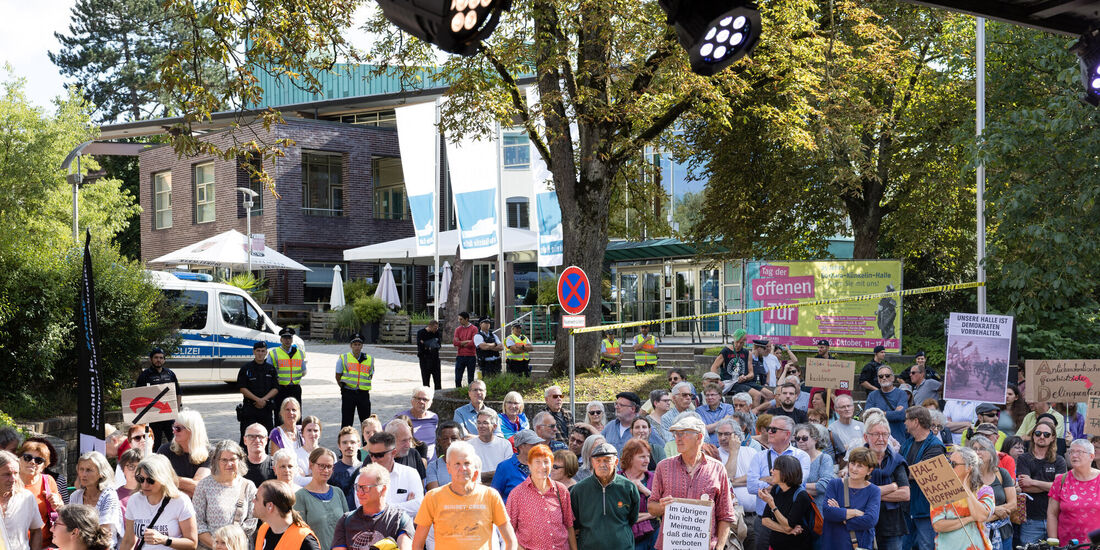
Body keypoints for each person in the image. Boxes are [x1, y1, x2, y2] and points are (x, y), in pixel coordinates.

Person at [648, 415, 735, 550]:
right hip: (671, 545)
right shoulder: (663, 467)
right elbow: (651, 507)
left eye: (683, 434)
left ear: (699, 437)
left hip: (705, 546)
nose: (677, 438)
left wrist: (719, 547)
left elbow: (726, 514)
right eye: (676, 434)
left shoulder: (717, 468)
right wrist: (663, 507)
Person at [412, 441, 517, 550]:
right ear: (448, 468)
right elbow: (417, 544)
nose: (463, 468)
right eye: (457, 464)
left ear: (474, 466)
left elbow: (510, 540)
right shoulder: (432, 497)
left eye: (467, 463)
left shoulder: (490, 495)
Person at [747, 414, 810, 550]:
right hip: (765, 520)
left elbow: (797, 483)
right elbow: (751, 486)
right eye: (769, 428)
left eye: (774, 429)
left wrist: (765, 480)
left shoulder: (801, 456)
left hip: (793, 521)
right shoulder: (759, 456)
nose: (769, 431)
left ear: (787, 434)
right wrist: (781, 481)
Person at [506, 444, 577, 550]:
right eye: (537, 462)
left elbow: (569, 525)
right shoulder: (517, 494)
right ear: (529, 465)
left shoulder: (561, 490)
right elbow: (508, 530)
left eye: (546, 462)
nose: (542, 466)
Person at [121, 454, 199, 550]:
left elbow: (192, 543)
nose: (145, 485)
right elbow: (128, 541)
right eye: (140, 479)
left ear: (163, 479)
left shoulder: (180, 501)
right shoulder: (134, 500)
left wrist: (164, 540)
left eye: (151, 480)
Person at [570, 442, 639, 550]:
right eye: (598, 461)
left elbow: (632, 519)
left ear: (616, 462)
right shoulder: (579, 490)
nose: (602, 464)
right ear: (592, 463)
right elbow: (574, 524)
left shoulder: (628, 487)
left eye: (607, 460)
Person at [193, 440, 257, 550]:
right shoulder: (204, 486)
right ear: (216, 461)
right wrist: (219, 545)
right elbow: (197, 522)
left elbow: (252, 521)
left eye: (233, 459)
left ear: (240, 460)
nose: (229, 464)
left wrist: (231, 545)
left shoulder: (248, 486)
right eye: (224, 460)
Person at [334, 464, 414, 550]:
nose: (359, 493)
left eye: (365, 488)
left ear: (383, 489)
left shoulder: (400, 520)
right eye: (358, 487)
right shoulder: (346, 520)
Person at [899, 406, 946, 550]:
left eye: (906, 419)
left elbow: (920, 473)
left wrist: (901, 474)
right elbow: (902, 469)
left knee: (926, 546)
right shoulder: (908, 442)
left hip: (925, 509)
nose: (904, 423)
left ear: (916, 421)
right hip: (907, 507)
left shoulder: (936, 446)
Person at [931, 447, 994, 550]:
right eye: (948, 463)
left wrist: (966, 489)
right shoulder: (941, 491)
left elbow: (981, 516)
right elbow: (938, 525)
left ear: (969, 468)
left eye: (953, 464)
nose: (948, 467)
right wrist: (969, 519)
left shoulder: (985, 491)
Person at [1016, 418, 1066, 544]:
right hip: (1031, 520)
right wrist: (1051, 486)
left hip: (1056, 519)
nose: (1041, 437)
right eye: (1038, 433)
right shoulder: (1024, 458)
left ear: (1053, 438)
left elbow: (1060, 488)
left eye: (1046, 434)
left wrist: (1033, 482)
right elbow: (1025, 487)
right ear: (1033, 436)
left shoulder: (1059, 460)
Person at [863, 416, 909, 550]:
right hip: (863, 522)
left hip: (892, 526)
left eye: (884, 434)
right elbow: (855, 490)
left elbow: (905, 494)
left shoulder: (897, 461)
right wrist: (891, 488)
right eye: (876, 434)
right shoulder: (858, 460)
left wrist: (871, 493)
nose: (881, 439)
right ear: (866, 437)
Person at [822, 447, 881, 550]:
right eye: (852, 463)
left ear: (869, 470)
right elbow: (827, 512)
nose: (854, 469)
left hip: (860, 544)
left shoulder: (874, 490)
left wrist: (841, 514)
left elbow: (870, 520)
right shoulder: (834, 484)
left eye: (860, 466)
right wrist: (854, 512)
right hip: (834, 542)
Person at [355, 432, 422, 517]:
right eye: (371, 455)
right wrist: (404, 506)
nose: (374, 459)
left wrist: (381, 508)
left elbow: (418, 506)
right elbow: (364, 509)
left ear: (393, 453)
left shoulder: (410, 473)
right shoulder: (361, 478)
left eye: (379, 455)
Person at [294, 448, 348, 550]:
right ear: (311, 465)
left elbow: (347, 525)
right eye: (321, 466)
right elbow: (300, 534)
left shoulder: (338, 492)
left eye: (329, 466)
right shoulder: (300, 496)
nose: (326, 470)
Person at [968, 435, 1015, 550]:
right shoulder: (966, 476)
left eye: (982, 448)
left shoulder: (1001, 474)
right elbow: (966, 509)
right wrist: (995, 510)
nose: (978, 452)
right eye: (974, 449)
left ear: (991, 454)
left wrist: (987, 515)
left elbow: (1013, 504)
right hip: (974, 534)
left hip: (1003, 533)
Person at [758, 455, 813, 548]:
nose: (771, 471)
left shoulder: (801, 495)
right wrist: (787, 531)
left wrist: (772, 505)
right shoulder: (776, 489)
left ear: (785, 472)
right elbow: (765, 520)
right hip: (775, 545)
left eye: (774, 469)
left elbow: (788, 525)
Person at [18, 439, 64, 548]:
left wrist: (59, 504)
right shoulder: (10, 481)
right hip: (15, 544)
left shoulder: (48, 481)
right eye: (27, 458)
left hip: (44, 544)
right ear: (19, 459)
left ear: (44, 466)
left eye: (38, 460)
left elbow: (62, 512)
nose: (32, 462)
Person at [69, 452, 122, 546]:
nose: (83, 474)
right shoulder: (75, 496)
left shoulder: (109, 495)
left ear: (101, 473)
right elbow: (70, 527)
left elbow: (104, 532)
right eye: (81, 469)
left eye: (89, 470)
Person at [252, 480, 322, 550]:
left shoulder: (305, 541)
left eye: (256, 498)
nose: (253, 501)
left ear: (270, 506)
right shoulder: (263, 530)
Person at [137, 347, 184, 449]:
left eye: (161, 358)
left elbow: (178, 392)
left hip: (169, 415)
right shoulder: (145, 375)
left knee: (176, 442)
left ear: (164, 360)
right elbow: (138, 396)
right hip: (153, 418)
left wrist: (177, 411)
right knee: (155, 445)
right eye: (156, 357)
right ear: (151, 359)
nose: (158, 360)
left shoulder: (170, 374)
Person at [159, 411, 213, 498]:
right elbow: (158, 483)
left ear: (192, 430)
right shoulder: (165, 450)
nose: (173, 432)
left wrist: (168, 479)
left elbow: (197, 487)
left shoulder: (210, 453)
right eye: (173, 427)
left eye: (178, 429)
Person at [615, 438, 656, 549]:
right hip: (625, 537)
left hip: (653, 534)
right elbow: (619, 517)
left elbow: (661, 510)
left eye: (648, 456)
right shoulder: (617, 481)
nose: (647, 460)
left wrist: (645, 490)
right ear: (630, 458)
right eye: (642, 457)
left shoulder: (654, 478)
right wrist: (649, 515)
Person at [0, 450, 44, 550]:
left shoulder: (26, 497)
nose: (13, 479)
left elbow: (36, 530)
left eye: (16, 473)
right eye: (6, 474)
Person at [237, 341, 279, 441]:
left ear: (266, 353)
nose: (260, 353)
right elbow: (242, 388)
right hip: (250, 409)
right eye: (258, 351)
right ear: (254, 352)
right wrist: (257, 399)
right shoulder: (246, 368)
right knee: (247, 438)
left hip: (266, 408)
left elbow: (276, 388)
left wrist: (263, 400)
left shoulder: (271, 369)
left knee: (265, 437)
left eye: (262, 351)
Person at [335, 333, 374, 429]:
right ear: (351, 345)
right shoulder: (343, 358)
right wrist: (343, 388)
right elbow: (338, 375)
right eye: (355, 344)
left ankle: (366, 443)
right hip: (348, 393)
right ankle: (345, 442)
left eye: (359, 344)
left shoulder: (369, 359)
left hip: (363, 394)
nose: (357, 347)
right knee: (346, 421)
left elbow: (370, 374)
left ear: (362, 346)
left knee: (366, 422)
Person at [490, 429, 541, 501]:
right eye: (533, 444)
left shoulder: (542, 465)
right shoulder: (504, 467)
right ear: (521, 446)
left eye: (538, 444)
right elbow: (494, 495)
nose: (538, 447)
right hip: (511, 510)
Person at [795, 423, 835, 513]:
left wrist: (794, 486)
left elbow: (823, 486)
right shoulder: (793, 458)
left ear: (815, 439)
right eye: (797, 438)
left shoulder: (824, 458)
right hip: (796, 510)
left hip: (817, 510)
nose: (800, 441)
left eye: (804, 438)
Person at [865, 366, 909, 443]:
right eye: (881, 376)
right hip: (878, 440)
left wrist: (879, 413)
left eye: (887, 375)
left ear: (893, 378)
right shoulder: (872, 395)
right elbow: (868, 416)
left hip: (898, 439)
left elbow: (901, 414)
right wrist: (893, 413)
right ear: (878, 380)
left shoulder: (901, 394)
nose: (884, 378)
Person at [268, 327, 307, 416]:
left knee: (296, 415)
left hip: (295, 389)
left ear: (292, 339)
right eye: (285, 338)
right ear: (281, 339)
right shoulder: (274, 353)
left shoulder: (299, 353)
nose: (287, 340)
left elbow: (304, 371)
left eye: (289, 338)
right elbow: (268, 372)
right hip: (280, 389)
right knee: (280, 415)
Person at [468, 411, 514, 480]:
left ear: (494, 426)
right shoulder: (468, 446)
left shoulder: (505, 444)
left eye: (485, 423)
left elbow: (507, 471)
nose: (481, 426)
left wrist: (480, 475)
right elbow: (468, 473)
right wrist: (494, 474)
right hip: (476, 486)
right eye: (479, 423)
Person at [395, 387, 438, 453]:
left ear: (430, 403)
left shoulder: (433, 417)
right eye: (418, 398)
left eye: (425, 399)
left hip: (431, 461)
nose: (421, 402)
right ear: (412, 401)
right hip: (411, 460)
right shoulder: (401, 418)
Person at [424, 421, 461, 491]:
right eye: (445, 439)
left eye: (454, 438)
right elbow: (434, 495)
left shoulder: (470, 463)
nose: (449, 442)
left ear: (461, 440)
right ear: (439, 441)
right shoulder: (433, 467)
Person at [330, 427, 361, 499]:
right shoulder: (331, 471)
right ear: (339, 446)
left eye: (352, 442)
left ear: (359, 445)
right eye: (344, 442)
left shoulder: (366, 469)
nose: (349, 446)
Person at [242, 424, 275, 489]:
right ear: (245, 440)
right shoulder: (238, 465)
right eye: (251, 436)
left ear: (266, 440)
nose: (257, 440)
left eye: (260, 436)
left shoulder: (276, 464)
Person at [294, 416, 323, 486]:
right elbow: (297, 481)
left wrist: (306, 476)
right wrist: (320, 476)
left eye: (315, 430)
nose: (312, 434)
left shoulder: (329, 455)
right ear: (302, 433)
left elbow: (330, 480)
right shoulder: (294, 455)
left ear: (320, 433)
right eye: (309, 430)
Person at [452, 312, 479, 388]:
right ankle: (458, 392)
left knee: (470, 378)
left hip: (471, 356)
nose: (459, 321)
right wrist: (467, 341)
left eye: (461, 319)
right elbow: (455, 342)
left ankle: (470, 394)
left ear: (466, 319)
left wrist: (460, 343)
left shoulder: (474, 328)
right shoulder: (458, 329)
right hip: (460, 356)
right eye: (458, 319)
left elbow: (473, 343)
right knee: (458, 378)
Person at [415, 319, 442, 390]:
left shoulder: (437, 333)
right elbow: (421, 346)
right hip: (425, 359)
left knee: (438, 381)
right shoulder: (421, 333)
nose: (436, 329)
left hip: (435, 359)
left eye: (437, 328)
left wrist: (426, 344)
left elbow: (438, 345)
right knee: (426, 381)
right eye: (434, 328)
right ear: (430, 326)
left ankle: (438, 397)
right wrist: (430, 344)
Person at [117, 449, 144, 514]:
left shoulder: (151, 494)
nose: (136, 471)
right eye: (131, 466)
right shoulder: (114, 496)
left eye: (139, 467)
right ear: (123, 469)